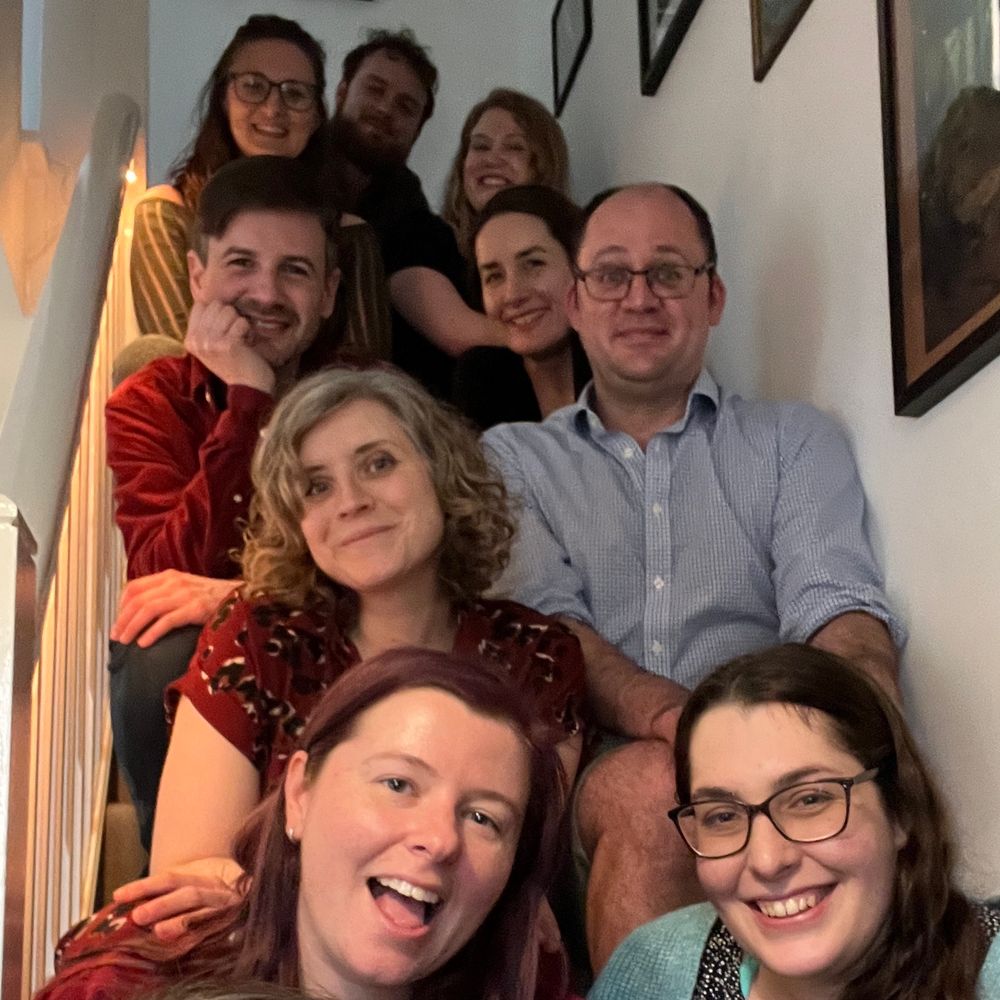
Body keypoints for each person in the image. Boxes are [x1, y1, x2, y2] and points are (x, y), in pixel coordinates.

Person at [483, 182, 905, 970]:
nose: (639, 296)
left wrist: (860, 724)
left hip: (773, 753)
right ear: (575, 302)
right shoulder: (512, 459)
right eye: (612, 274)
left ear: (711, 296)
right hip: (596, 777)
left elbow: (836, 608)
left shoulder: (793, 439)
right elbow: (550, 631)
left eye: (668, 273)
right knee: (655, 790)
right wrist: (686, 727)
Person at [141, 366, 584, 921]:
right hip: (257, 963)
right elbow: (186, 875)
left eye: (378, 464)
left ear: (441, 474)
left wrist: (269, 891)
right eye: (316, 486)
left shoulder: (534, 656)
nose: (349, 502)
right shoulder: (258, 636)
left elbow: (506, 889)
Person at [35, 650, 572, 1000]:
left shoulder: (533, 985)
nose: (439, 840)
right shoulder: (120, 984)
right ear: (299, 794)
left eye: (483, 818)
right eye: (398, 784)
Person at [107, 155, 340, 853]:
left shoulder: (368, 395)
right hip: (214, 669)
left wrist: (244, 593)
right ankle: (182, 883)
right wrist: (249, 402)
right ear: (196, 277)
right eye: (241, 264)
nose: (265, 292)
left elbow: (398, 570)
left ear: (329, 293)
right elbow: (164, 573)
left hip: (345, 650)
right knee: (156, 643)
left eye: (294, 271)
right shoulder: (150, 402)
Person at [590, 644, 1000, 999]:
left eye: (809, 800)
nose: (768, 860)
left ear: (899, 810)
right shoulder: (652, 969)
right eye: (723, 816)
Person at [128, 14, 389, 365]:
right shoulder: (167, 214)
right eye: (253, 86)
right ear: (224, 98)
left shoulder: (351, 235)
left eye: (295, 94)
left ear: (315, 116)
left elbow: (368, 374)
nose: (272, 109)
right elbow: (179, 365)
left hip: (319, 414)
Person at [328, 30, 507, 400]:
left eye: (406, 106)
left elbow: (454, 330)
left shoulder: (416, 222)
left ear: (418, 129)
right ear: (342, 92)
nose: (386, 109)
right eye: (375, 90)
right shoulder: (289, 182)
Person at [456, 184, 590, 426]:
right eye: (494, 276)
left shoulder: (624, 362)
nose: (512, 295)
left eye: (533, 264)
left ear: (580, 265)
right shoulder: (482, 378)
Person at [441, 89, 570, 258]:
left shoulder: (575, 256)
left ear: (544, 166)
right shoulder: (431, 252)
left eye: (514, 147)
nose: (492, 159)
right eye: (481, 146)